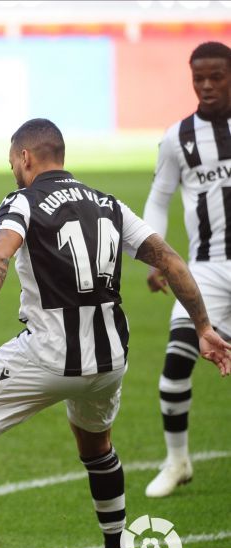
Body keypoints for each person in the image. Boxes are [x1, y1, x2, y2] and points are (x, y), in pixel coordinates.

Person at [0, 119, 231, 548]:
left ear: (24, 158)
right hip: (109, 362)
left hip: (49, 354)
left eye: (11, 162)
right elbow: (171, 261)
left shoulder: (21, 201)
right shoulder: (109, 204)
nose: (12, 171)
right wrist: (203, 327)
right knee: (97, 448)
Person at [142, 41, 231, 498]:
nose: (208, 85)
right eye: (200, 78)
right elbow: (158, 199)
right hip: (206, 270)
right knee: (177, 363)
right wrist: (157, 254)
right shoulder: (179, 138)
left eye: (217, 76)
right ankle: (177, 461)